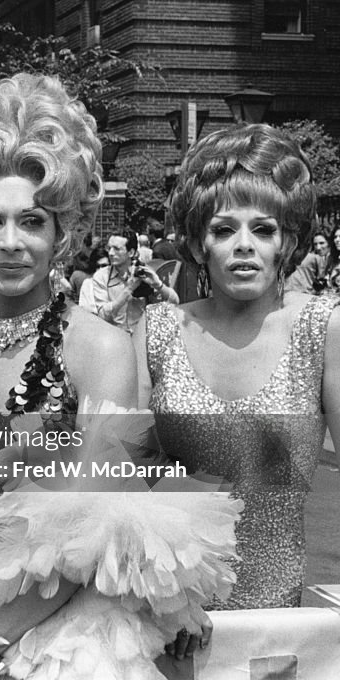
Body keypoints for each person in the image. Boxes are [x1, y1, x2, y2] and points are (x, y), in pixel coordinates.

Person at [0, 74, 238, 680]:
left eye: (33, 222)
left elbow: (102, 526)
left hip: (49, 629)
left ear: (61, 234)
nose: (11, 243)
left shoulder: (100, 350)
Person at [137, 123, 340, 610]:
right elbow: (120, 479)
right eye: (224, 229)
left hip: (271, 625)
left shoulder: (323, 327)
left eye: (263, 228)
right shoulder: (157, 328)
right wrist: (171, 598)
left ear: (288, 243)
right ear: (197, 244)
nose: (244, 245)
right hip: (162, 609)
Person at [91, 230, 179, 334]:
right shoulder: (101, 277)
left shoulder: (143, 272)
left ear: (131, 252)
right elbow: (102, 315)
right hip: (114, 338)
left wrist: (158, 285)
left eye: (116, 249)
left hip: (141, 337)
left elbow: (175, 302)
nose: (110, 253)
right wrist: (128, 289)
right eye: (109, 248)